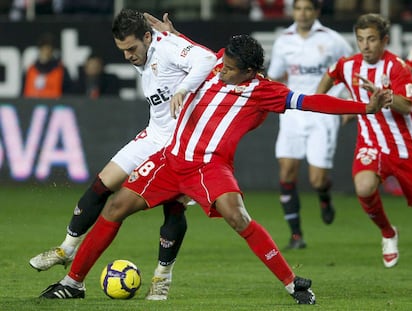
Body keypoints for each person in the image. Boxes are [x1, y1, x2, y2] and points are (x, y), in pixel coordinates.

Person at [38, 30, 391, 303]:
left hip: (209, 167)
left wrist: (366, 108)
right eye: (223, 65)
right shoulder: (218, 62)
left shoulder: (264, 90)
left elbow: (312, 102)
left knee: (237, 217)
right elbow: (201, 53)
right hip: (171, 158)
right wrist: (173, 34)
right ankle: (73, 284)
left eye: (231, 70)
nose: (222, 72)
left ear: (250, 72)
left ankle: (290, 282)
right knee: (114, 207)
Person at [29, 9, 217, 301]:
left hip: (180, 142)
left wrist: (184, 85)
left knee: (174, 206)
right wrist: (177, 39)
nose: (128, 56)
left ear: (147, 36)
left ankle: (162, 278)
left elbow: (207, 59)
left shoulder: (166, 47)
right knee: (102, 183)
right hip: (154, 133)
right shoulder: (149, 48)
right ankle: (66, 249)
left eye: (131, 48)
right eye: (122, 50)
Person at [316, 13, 412, 268]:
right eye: (361, 40)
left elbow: (406, 106)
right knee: (364, 187)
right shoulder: (348, 65)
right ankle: (388, 232)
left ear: (385, 40)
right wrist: (318, 101)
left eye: (371, 39)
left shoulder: (398, 67)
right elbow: (331, 74)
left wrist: (385, 96)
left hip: (405, 145)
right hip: (370, 143)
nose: (366, 45)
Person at [267, 0, 352, 249]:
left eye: (307, 9)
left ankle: (324, 196)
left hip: (323, 112)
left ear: (316, 12)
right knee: (286, 171)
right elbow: (276, 75)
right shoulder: (284, 40)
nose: (302, 13)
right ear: (293, 11)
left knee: (317, 180)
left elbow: (351, 71)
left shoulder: (334, 40)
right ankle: (296, 235)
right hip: (293, 111)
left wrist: (348, 102)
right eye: (298, 8)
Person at [22, 32, 73, 98]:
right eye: (43, 49)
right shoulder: (31, 70)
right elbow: (23, 93)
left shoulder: (61, 70)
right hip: (32, 106)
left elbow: (68, 93)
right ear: (40, 50)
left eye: (48, 49)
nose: (46, 52)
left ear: (52, 51)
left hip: (55, 106)